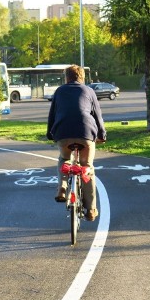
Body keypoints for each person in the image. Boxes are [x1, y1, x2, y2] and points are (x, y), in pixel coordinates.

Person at [47, 64, 106, 221]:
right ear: (82, 77)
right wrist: (102, 135)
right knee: (87, 166)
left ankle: (62, 188)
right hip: (86, 133)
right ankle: (92, 209)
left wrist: (50, 134)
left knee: (64, 159)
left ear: (66, 77)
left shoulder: (59, 91)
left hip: (63, 133)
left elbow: (52, 115)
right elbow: (98, 116)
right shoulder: (89, 91)